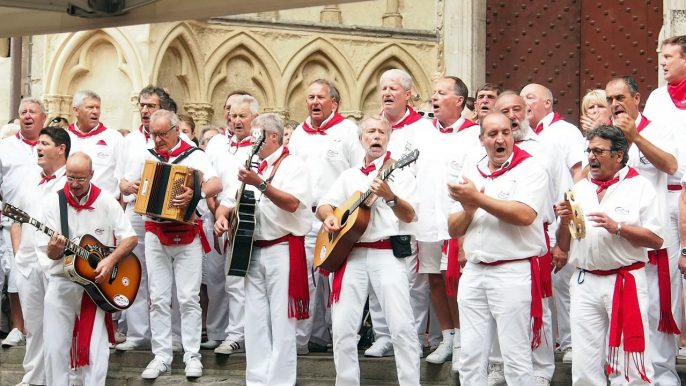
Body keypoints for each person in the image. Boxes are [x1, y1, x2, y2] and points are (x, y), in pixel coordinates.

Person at [318, 115, 421, 385]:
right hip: (350, 255)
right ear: (361, 139)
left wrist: (390, 196)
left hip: (386, 254)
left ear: (388, 138)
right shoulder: (349, 176)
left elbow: (410, 216)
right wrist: (329, 217)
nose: (376, 136)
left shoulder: (400, 172)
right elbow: (324, 205)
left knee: (401, 326)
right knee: (342, 329)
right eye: (371, 132)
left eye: (382, 132)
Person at [557, 125, 663, 385]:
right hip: (584, 281)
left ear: (618, 155)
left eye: (598, 151)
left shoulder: (640, 186)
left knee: (630, 360)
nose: (591, 157)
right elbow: (564, 244)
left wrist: (619, 228)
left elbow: (657, 239)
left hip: (624, 280)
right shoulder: (578, 190)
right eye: (589, 151)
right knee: (584, 362)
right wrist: (564, 221)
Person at [448, 112, 549, 385]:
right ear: (482, 139)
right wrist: (468, 210)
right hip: (475, 271)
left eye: (506, 132)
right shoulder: (471, 168)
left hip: (512, 271)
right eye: (492, 134)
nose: (500, 139)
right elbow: (453, 228)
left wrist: (477, 199)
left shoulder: (531, 168)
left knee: (515, 355)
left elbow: (525, 215)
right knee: (470, 356)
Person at [215, 113, 311, 385]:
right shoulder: (250, 164)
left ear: (273, 136)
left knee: (282, 321)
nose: (251, 141)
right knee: (254, 320)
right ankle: (257, 380)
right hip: (250, 249)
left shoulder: (292, 164)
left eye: (256, 136)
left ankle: (280, 381)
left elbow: (293, 203)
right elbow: (228, 199)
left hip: (281, 248)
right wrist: (222, 217)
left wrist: (260, 183)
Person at [37, 152, 138, 386]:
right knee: (54, 348)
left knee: (96, 351)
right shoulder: (53, 203)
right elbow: (47, 252)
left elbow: (130, 238)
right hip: (61, 282)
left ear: (92, 175)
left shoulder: (106, 201)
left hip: (94, 287)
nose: (74, 184)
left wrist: (110, 260)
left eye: (81, 179)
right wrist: (54, 249)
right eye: (70, 177)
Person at [606, 75, 680, 385]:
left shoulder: (660, 128)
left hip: (655, 235)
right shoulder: (606, 135)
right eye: (609, 99)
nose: (614, 104)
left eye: (620, 97)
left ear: (637, 99)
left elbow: (671, 166)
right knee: (621, 306)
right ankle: (628, 374)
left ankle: (663, 375)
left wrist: (636, 137)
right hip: (617, 236)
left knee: (656, 307)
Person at [140, 110, 222, 380]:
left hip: (188, 232)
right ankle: (161, 355)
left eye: (163, 134)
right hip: (155, 231)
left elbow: (216, 183)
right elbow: (131, 183)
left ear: (177, 130)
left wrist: (195, 192)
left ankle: (192, 355)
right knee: (159, 298)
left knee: (189, 298)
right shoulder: (148, 155)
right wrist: (134, 188)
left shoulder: (195, 155)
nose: (158, 139)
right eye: (154, 134)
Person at [288, 79, 364, 356]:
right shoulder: (298, 133)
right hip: (305, 218)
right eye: (310, 97)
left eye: (320, 97)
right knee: (307, 280)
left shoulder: (347, 131)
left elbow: (359, 174)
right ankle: (308, 338)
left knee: (335, 281)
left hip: (338, 218)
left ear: (334, 102)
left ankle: (341, 337)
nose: (315, 102)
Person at [365, 68, 436, 358]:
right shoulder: (373, 126)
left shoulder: (423, 128)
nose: (387, 94)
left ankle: (415, 337)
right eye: (383, 89)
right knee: (378, 278)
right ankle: (383, 336)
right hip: (374, 215)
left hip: (410, 210)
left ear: (408, 94)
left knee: (412, 281)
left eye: (393, 88)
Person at [115, 85, 185, 353]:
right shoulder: (130, 140)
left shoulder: (181, 142)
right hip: (135, 212)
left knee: (171, 274)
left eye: (151, 106)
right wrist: (125, 186)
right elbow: (119, 177)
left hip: (166, 216)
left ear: (164, 110)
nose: (144, 111)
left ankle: (174, 335)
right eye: (142, 106)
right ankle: (137, 333)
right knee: (133, 270)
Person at [424, 75, 480, 370]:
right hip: (427, 217)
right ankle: (447, 338)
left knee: (455, 280)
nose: (434, 97)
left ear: (459, 100)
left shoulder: (474, 134)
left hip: (457, 218)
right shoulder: (423, 131)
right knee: (434, 278)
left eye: (442, 93)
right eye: (434, 92)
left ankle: (462, 343)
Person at [10, 127, 69, 385]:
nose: (39, 147)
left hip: (58, 266)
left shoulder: (71, 180)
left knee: (59, 327)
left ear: (61, 149)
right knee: (33, 327)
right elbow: (14, 217)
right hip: (28, 263)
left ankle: (62, 378)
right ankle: (33, 379)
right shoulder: (29, 177)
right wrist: (18, 253)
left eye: (45, 143)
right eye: (39, 143)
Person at [644, 35, 686, 360]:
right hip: (665, 195)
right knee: (667, 279)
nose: (663, 62)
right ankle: (666, 359)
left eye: (669, 56)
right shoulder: (657, 98)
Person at [0, 98, 46, 349]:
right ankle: (18, 327)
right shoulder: (5, 146)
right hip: (13, 219)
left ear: (43, 118)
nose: (27, 116)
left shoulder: (51, 144)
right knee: (16, 274)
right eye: (23, 112)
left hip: (44, 220)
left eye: (32, 112)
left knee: (44, 273)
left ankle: (40, 326)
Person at [520, 83, 586, 182]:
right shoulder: (519, 134)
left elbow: (579, 171)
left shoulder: (566, 131)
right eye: (521, 99)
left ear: (547, 103)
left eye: (530, 98)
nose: (523, 103)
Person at [67, 90, 123, 199]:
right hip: (71, 206)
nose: (95, 111)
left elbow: (122, 177)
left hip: (106, 207)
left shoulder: (114, 138)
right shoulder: (65, 137)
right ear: (76, 111)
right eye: (90, 107)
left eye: (98, 107)